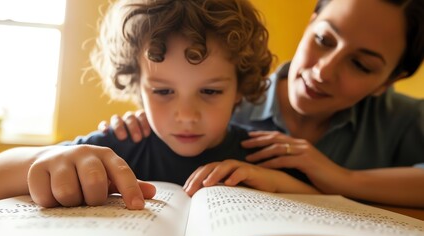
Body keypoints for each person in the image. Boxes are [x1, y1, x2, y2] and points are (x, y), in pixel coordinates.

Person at [0, 0, 319, 210]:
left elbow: (336, 207)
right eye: (163, 92)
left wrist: (281, 184)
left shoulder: (263, 151)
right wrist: (49, 157)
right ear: (137, 88)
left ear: (239, 89)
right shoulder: (120, 143)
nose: (186, 116)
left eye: (209, 91)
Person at [99, 0, 424, 208]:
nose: (323, 70)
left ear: (389, 80)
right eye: (323, 40)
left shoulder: (405, 120)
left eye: (361, 65)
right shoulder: (219, 94)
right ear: (310, 23)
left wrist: (340, 179)